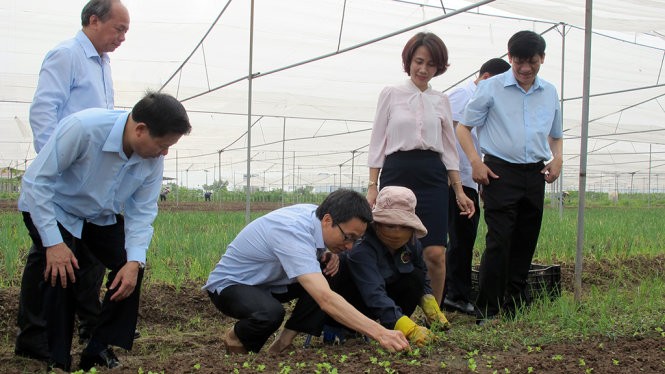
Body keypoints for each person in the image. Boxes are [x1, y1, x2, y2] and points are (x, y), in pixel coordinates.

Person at [17, 91, 191, 371]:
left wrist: (134, 262)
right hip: (52, 207)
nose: (165, 152)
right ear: (140, 130)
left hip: (98, 216)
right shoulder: (83, 129)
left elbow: (141, 212)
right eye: (163, 144)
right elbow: (37, 183)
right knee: (62, 272)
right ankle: (56, 357)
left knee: (131, 265)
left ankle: (97, 347)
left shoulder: (153, 159)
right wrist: (53, 243)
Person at [16, 0, 130, 363]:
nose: (122, 37)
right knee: (50, 262)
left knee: (87, 263)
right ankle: (36, 338)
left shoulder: (103, 63)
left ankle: (87, 330)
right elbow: (45, 111)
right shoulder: (66, 54)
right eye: (119, 28)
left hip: (90, 188)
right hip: (64, 179)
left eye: (126, 31)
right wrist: (59, 165)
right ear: (93, 20)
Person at [202, 189, 410, 355]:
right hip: (231, 285)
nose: (350, 246)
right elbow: (325, 300)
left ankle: (282, 344)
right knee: (270, 314)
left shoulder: (317, 215)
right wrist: (381, 333)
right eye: (348, 237)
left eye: (356, 240)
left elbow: (321, 248)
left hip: (270, 281)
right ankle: (237, 338)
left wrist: (329, 252)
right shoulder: (292, 232)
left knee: (331, 268)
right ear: (328, 220)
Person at [456, 30, 563, 324]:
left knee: (526, 239)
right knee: (500, 240)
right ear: (510, 58)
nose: (525, 69)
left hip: (536, 173)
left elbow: (556, 135)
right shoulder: (491, 88)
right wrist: (476, 163)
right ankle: (488, 308)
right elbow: (463, 128)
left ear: (542, 59)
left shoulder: (550, 92)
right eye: (518, 62)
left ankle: (515, 303)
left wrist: (559, 159)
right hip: (500, 172)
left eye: (531, 62)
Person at [367, 32, 475, 305]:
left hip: (432, 175)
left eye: (431, 64)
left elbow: (450, 149)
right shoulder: (391, 94)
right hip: (397, 172)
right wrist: (372, 186)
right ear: (409, 61)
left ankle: (434, 314)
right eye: (419, 62)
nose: (424, 69)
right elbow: (378, 140)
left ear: (439, 67)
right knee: (393, 244)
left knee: (435, 252)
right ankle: (389, 312)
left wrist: (459, 190)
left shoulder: (441, 100)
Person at [328, 186, 451, 347]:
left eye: (403, 225)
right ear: (377, 224)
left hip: (385, 297)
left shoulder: (413, 245)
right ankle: (347, 328)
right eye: (390, 225)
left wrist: (430, 304)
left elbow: (423, 276)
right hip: (357, 301)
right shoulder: (361, 248)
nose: (397, 231)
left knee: (415, 278)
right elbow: (373, 294)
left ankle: (393, 323)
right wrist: (409, 329)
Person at [442, 58, 511, 315]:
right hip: (454, 178)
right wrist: (453, 179)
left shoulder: (484, 102)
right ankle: (454, 295)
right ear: (486, 77)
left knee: (465, 237)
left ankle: (456, 292)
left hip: (468, 180)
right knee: (460, 238)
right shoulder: (464, 94)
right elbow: (447, 134)